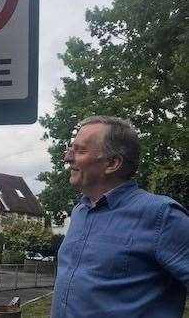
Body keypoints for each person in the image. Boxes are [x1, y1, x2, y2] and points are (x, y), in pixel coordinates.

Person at [50, 116, 189, 318]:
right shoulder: (80, 211)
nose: (67, 158)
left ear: (112, 163)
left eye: (80, 150)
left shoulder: (162, 215)